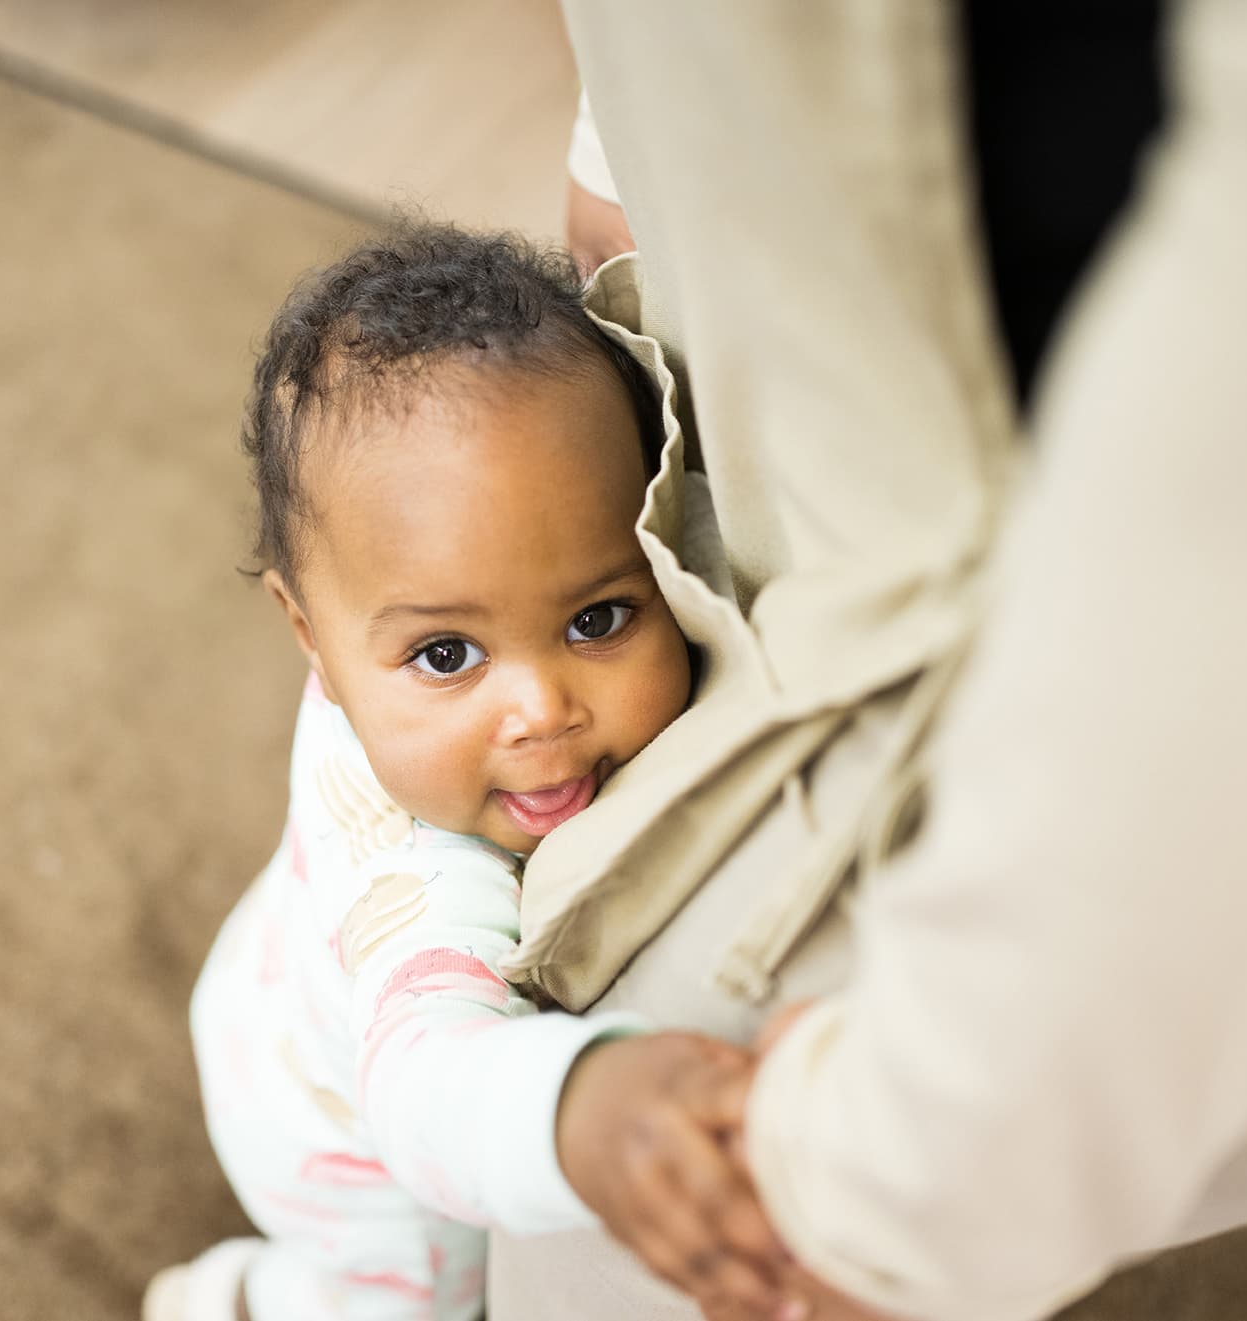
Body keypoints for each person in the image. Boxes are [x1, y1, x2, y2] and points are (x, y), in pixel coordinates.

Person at [491, 3, 1247, 1320]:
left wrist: (882, 1202)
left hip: (1229, 626)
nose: (534, 711)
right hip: (883, 402)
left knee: (646, 1202)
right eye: (439, 652)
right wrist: (632, 118)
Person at [142, 222, 800, 1321]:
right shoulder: (426, 885)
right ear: (311, 636)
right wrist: (579, 1103)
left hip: (271, 979)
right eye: (448, 654)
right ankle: (236, 1299)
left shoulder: (383, 664)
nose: (540, 709)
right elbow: (422, 1089)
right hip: (339, 1147)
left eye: (598, 616)